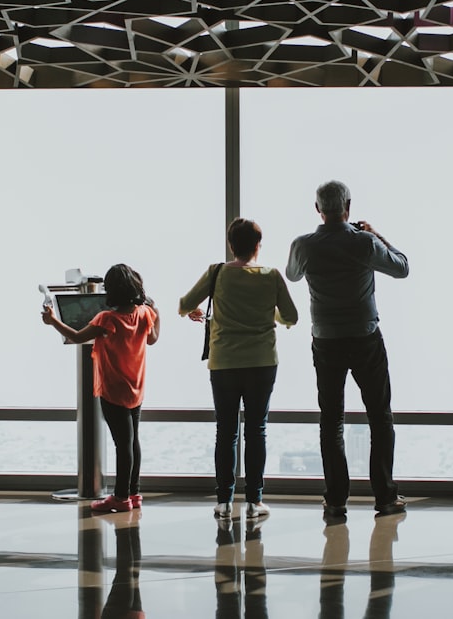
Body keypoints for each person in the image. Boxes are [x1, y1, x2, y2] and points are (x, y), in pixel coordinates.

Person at [285, 181, 409, 520]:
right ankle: (385, 496)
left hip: (326, 341)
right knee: (380, 417)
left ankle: (336, 500)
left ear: (317, 210)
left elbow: (292, 275)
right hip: (365, 337)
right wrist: (377, 234)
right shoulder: (364, 242)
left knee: (331, 421)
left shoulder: (304, 245)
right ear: (348, 207)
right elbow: (402, 267)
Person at [180, 218, 298, 521]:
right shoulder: (271, 276)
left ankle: (223, 502)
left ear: (231, 245)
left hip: (224, 364)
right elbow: (291, 317)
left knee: (226, 431)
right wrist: (269, 313)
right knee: (256, 430)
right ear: (258, 246)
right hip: (261, 362)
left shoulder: (216, 273)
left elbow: (184, 303)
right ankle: (255, 502)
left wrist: (192, 311)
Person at [41, 263, 160, 513]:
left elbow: (76, 336)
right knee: (132, 441)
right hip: (136, 387)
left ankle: (120, 498)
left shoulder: (106, 318)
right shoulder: (144, 313)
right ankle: (134, 492)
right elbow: (152, 338)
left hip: (113, 390)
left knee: (122, 444)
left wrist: (52, 321)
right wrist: (156, 311)